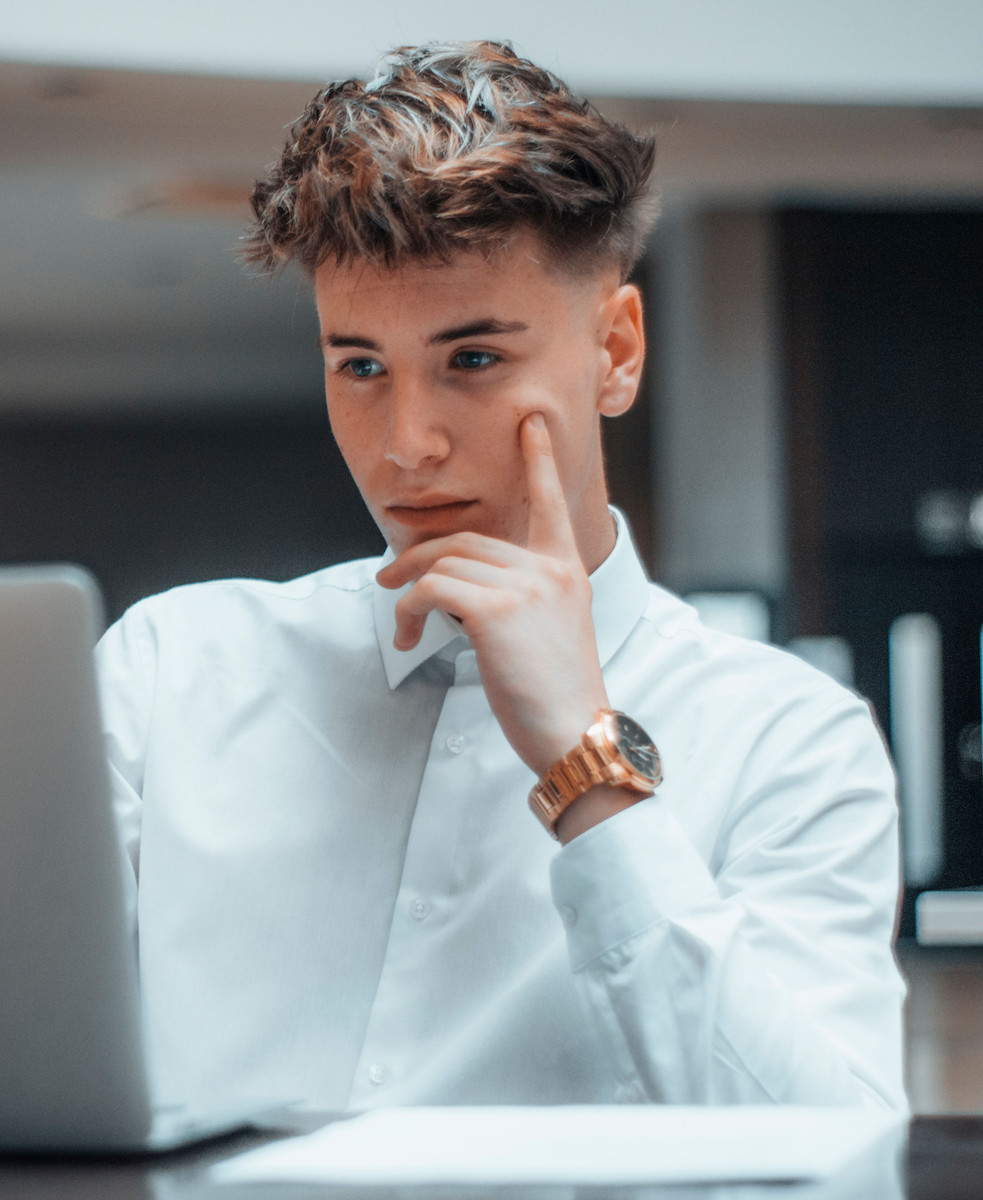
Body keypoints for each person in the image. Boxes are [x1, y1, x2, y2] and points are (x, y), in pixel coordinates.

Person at [95, 41, 906, 1112]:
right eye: (360, 367)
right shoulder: (168, 672)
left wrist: (588, 767)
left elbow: (836, 1158)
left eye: (472, 360)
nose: (407, 443)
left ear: (614, 351)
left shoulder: (791, 740)